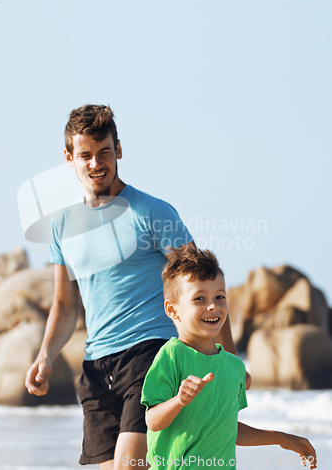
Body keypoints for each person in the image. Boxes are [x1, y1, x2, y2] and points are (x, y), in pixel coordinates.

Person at [25, 105, 248, 470]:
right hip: (97, 365)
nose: (96, 163)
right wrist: (46, 355)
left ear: (119, 150)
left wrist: (228, 362)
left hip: (150, 353)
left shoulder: (153, 213)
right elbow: (66, 306)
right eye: (85, 155)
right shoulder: (61, 225)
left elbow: (204, 286)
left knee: (130, 467)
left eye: (105, 152)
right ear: (69, 158)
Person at [141, 243, 317, 470]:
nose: (213, 306)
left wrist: (281, 438)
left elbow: (227, 429)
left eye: (220, 297)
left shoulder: (234, 366)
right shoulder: (172, 356)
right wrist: (179, 401)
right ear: (173, 310)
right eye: (199, 299)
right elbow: (152, 421)